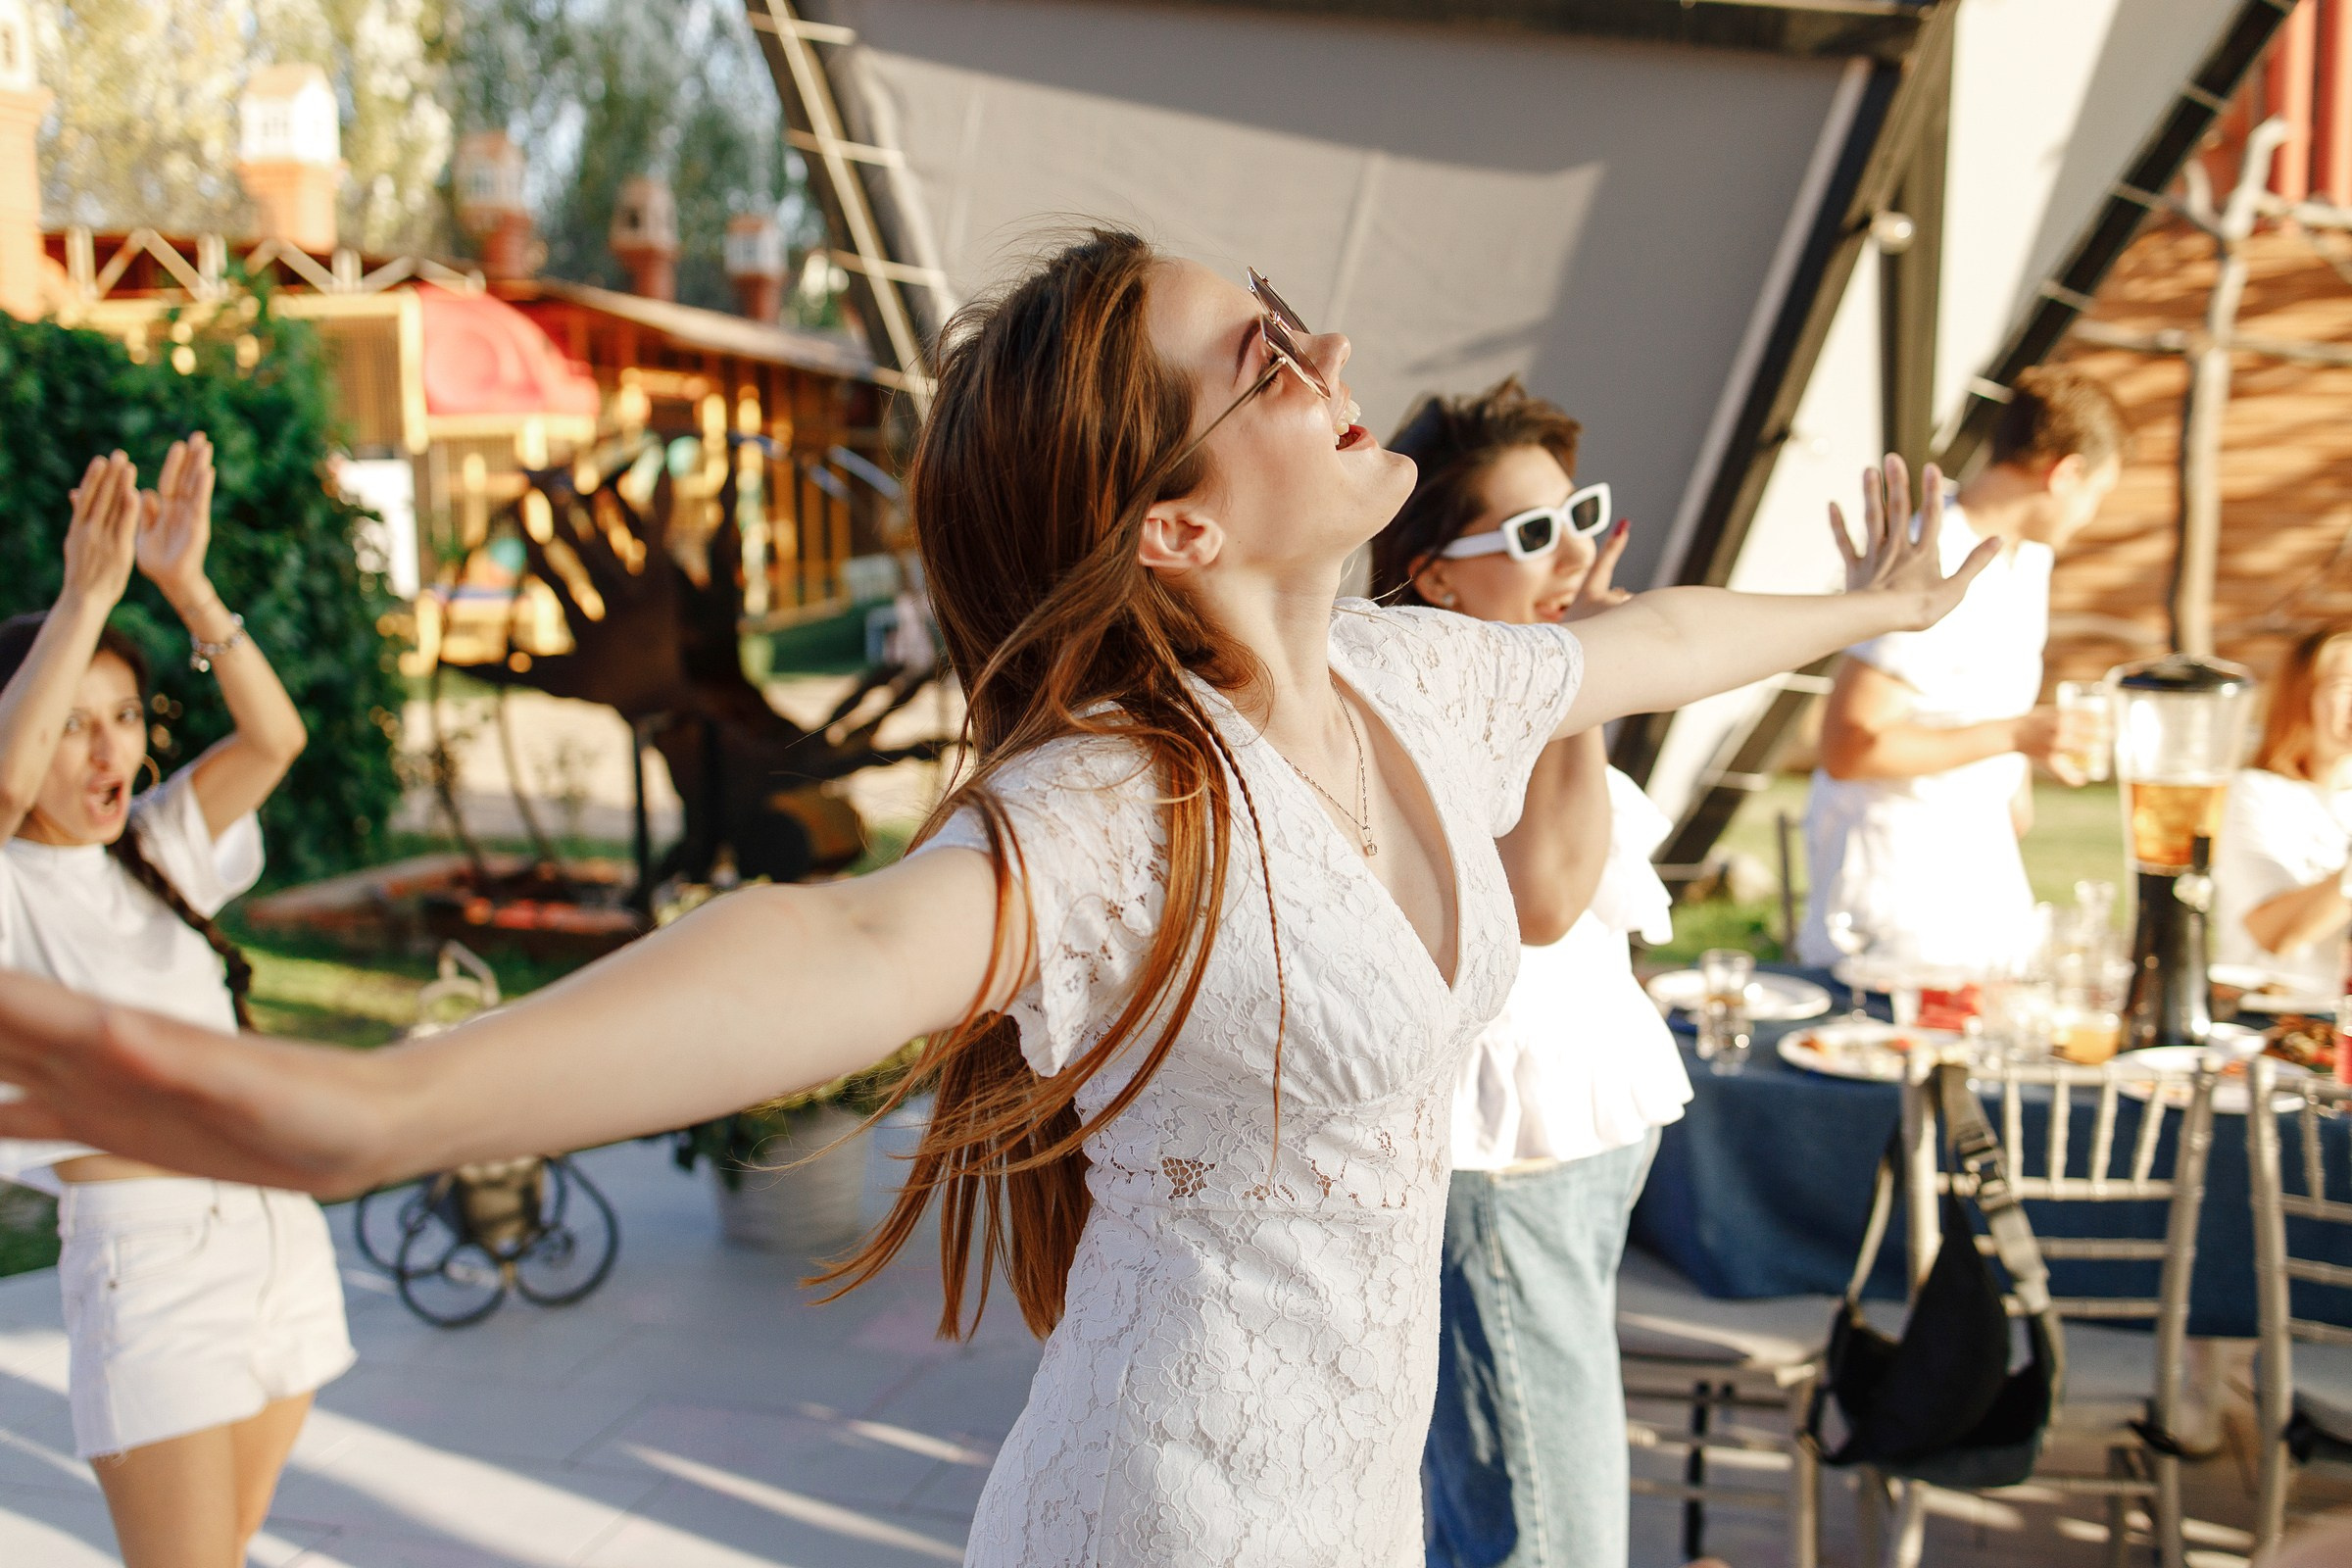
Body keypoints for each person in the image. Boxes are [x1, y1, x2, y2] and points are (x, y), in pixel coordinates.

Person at [0, 232, 1993, 1567]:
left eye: (1290, 323)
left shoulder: (1417, 678)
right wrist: (381, 1113)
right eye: (1268, 359)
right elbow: (839, 939)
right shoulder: (1122, 800)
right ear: (1177, 523)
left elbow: (1657, 642)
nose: (1331, 360)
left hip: (1354, 1509)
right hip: (1170, 1524)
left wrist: (1878, 607)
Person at [0, 437, 349, 1566]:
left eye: (123, 714)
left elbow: (276, 737)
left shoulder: (156, 846)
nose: (109, 748)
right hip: (146, 1263)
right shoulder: (9, 884)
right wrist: (84, 599)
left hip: (270, 1230)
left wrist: (184, 584)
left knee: (227, 1546)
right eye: (70, 722)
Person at [1371, 378, 1690, 1568]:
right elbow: (1546, 900)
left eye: (1578, 515)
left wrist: (1573, 667)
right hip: (1503, 1176)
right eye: (1532, 532)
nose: (1573, 554)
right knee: (1549, 1538)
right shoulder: (1430, 715)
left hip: (1559, 1167)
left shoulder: (1519, 696)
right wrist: (1579, 666)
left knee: (1518, 1516)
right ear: (1436, 577)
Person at [1800, 366, 2126, 971]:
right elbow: (1848, 746)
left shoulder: (2028, 557)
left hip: (1975, 867)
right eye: (2098, 493)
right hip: (1900, 883)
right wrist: (2017, 736)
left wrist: (2013, 781)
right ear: (2065, 473)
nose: (2091, 515)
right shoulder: (1932, 557)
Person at [2214, 624, 2352, 994]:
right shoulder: (2253, 794)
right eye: (2344, 687)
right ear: (2300, 697)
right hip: (2272, 1014)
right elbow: (2274, 934)